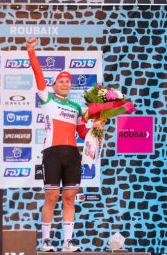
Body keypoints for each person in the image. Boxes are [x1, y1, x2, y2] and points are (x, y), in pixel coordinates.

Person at [27, 37, 104, 252]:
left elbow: (82, 132)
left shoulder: (77, 107)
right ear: (54, 85)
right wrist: (31, 51)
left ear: (71, 85)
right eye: (61, 81)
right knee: (51, 196)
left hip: (72, 154)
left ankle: (67, 242)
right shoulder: (47, 99)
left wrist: (97, 126)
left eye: (68, 81)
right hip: (52, 153)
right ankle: (46, 241)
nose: (64, 84)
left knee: (70, 197)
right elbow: (38, 74)